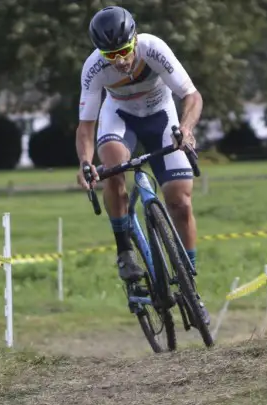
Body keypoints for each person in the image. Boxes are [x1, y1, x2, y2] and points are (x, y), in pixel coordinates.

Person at [75, 6, 210, 324]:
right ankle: (124, 251)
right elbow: (85, 127)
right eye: (111, 55)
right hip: (120, 118)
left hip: (161, 116)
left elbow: (192, 97)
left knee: (180, 201)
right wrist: (85, 162)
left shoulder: (153, 48)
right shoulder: (94, 68)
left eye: (123, 50)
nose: (119, 60)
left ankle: (190, 281)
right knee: (112, 168)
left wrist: (187, 131)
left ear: (134, 39)